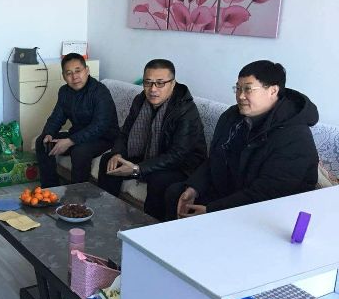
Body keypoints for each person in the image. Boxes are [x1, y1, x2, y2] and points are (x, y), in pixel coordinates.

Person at [165, 60, 319, 220]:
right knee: (176, 194)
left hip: (269, 209)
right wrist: (193, 188)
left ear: (273, 91)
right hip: (231, 192)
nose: (240, 96)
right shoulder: (232, 116)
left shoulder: (295, 136)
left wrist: (211, 210)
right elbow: (215, 159)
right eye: (237, 88)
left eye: (248, 89)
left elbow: (268, 192)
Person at [97, 59, 206, 221]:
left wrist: (137, 169)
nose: (153, 89)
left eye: (160, 83)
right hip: (148, 155)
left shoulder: (185, 110)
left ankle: (148, 227)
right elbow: (124, 132)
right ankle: (106, 217)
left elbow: (178, 155)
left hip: (181, 166)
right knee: (109, 160)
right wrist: (117, 153)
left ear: (173, 83)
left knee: (158, 180)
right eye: (148, 83)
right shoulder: (140, 100)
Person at [36, 53, 119, 187]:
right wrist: (49, 133)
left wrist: (70, 141)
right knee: (43, 142)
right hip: (78, 134)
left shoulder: (100, 91)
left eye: (78, 71)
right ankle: (50, 189)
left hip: (104, 138)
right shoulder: (64, 92)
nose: (74, 77)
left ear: (87, 71)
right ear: (64, 76)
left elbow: (99, 126)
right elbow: (56, 118)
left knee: (79, 152)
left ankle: (77, 194)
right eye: (69, 73)